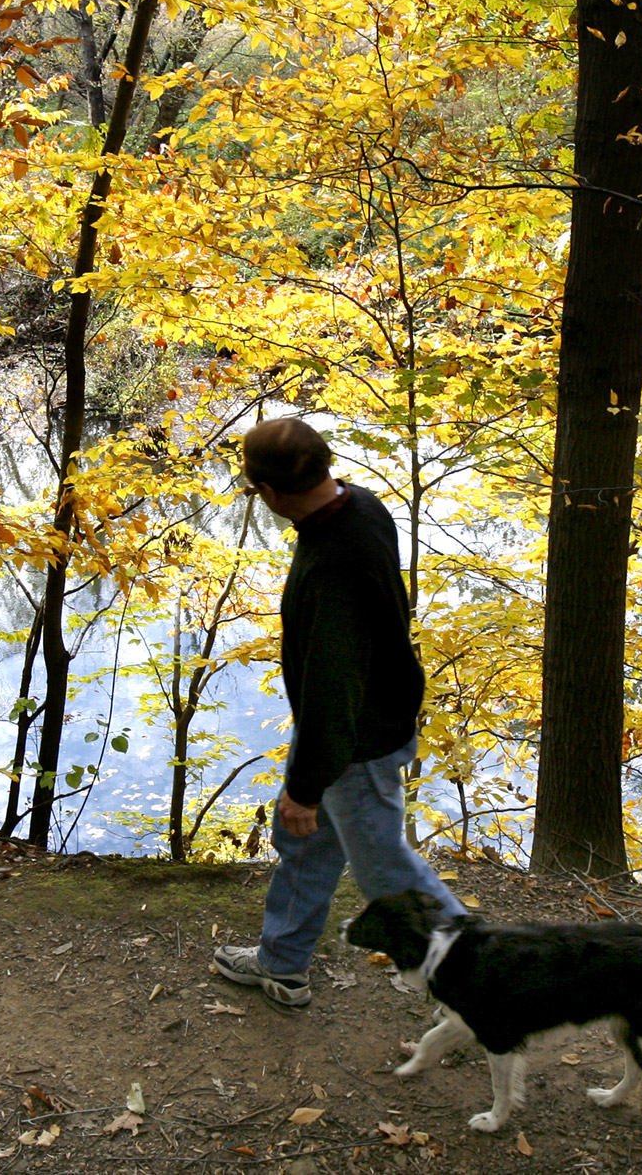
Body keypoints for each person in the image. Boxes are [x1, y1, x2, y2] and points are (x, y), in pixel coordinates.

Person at [211, 417, 464, 1006]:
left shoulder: (332, 567)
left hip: (356, 741)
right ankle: (283, 964)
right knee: (303, 840)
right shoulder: (361, 506)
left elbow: (333, 688)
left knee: (385, 873)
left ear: (270, 495)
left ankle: (488, 968)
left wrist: (305, 784)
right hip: (354, 725)